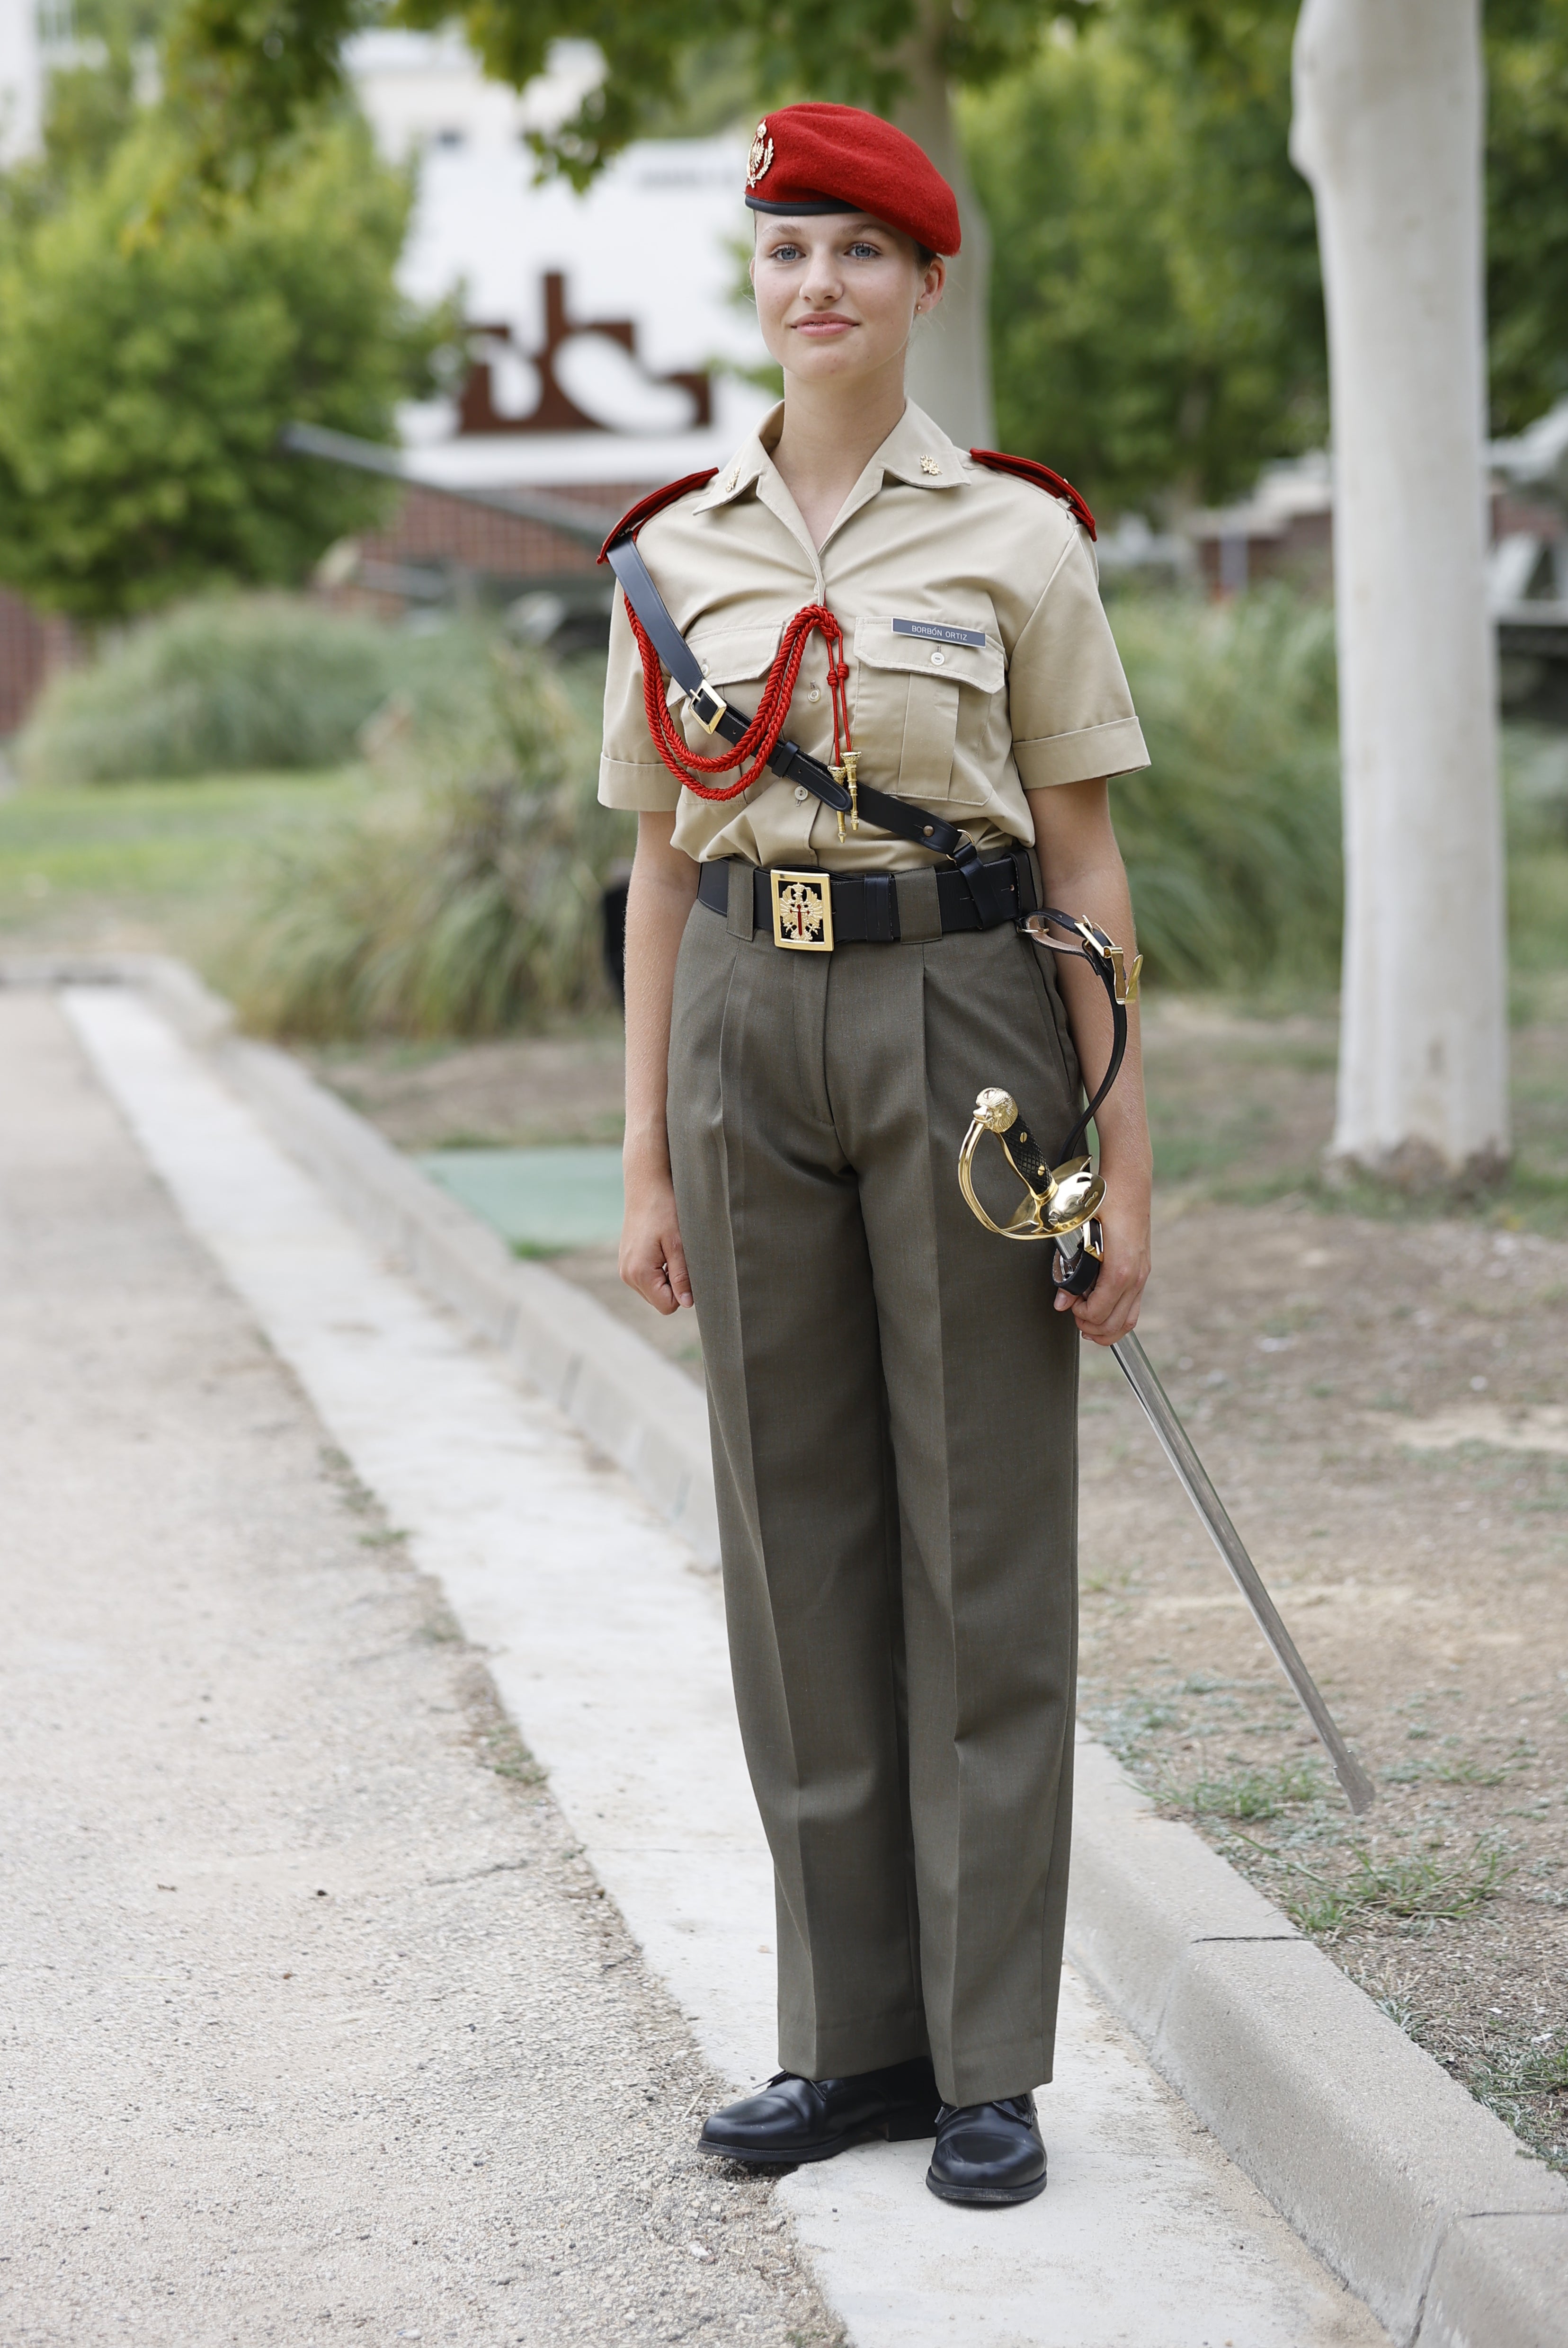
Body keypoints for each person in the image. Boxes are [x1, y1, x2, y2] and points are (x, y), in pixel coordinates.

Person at [598, 101, 1153, 2207]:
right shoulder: (675, 551)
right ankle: (848, 2044)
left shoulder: (1020, 540)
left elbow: (1084, 866)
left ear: (927, 282)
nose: (814, 284)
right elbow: (663, 869)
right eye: (783, 250)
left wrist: (1125, 1168)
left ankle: (988, 2061)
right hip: (749, 1023)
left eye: (855, 251)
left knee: (980, 1539)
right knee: (795, 1539)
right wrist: (645, 1149)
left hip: (971, 1024)